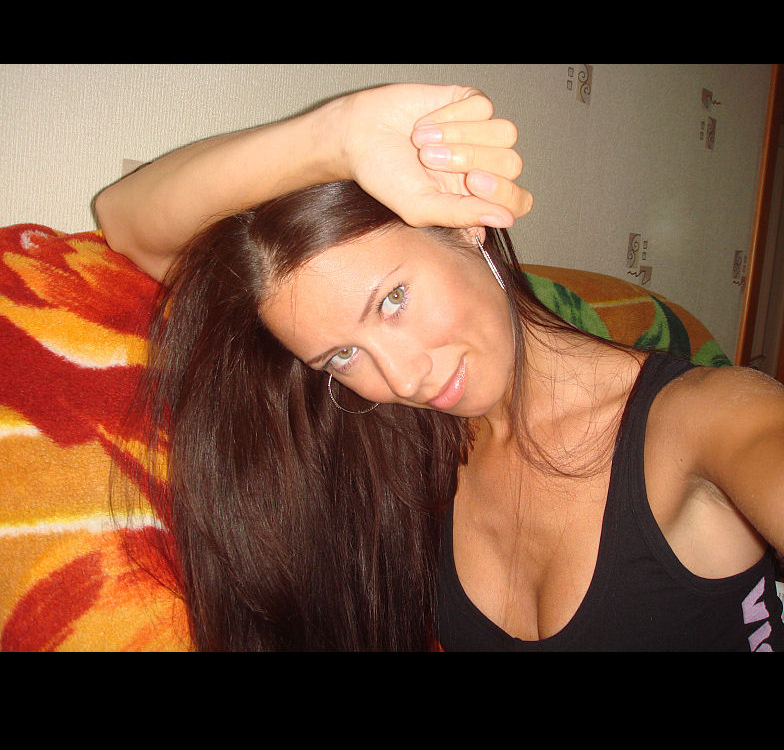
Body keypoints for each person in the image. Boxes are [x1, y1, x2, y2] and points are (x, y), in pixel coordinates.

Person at [94, 83, 784, 651]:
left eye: (392, 300)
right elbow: (123, 221)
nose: (401, 380)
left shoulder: (708, 421)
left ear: (462, 222)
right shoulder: (409, 457)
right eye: (342, 355)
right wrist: (334, 136)